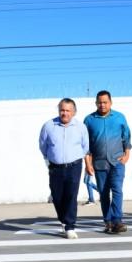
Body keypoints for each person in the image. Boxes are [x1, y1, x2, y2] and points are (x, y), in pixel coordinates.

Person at [39, 98, 89, 239]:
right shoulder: (49, 126)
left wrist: (80, 158)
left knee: (71, 195)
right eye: (62, 110)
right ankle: (63, 219)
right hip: (55, 167)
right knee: (57, 196)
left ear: (73, 112)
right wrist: (50, 159)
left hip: (74, 166)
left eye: (68, 110)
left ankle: (70, 226)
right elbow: (43, 146)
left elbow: (85, 147)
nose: (64, 113)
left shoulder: (80, 127)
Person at [83, 90, 132, 234]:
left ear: (110, 102)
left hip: (117, 162)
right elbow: (85, 144)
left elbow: (127, 137)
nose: (102, 105)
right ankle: (108, 222)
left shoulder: (119, 117)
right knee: (104, 193)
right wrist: (88, 163)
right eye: (100, 102)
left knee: (117, 190)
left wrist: (127, 155)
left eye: (105, 102)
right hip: (99, 163)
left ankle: (117, 220)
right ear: (96, 103)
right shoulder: (89, 120)